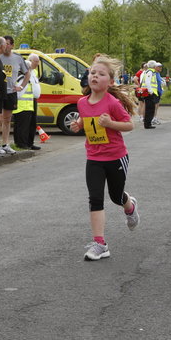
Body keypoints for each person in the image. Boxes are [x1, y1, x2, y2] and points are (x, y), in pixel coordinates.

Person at [70, 55, 139, 261]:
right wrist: (78, 125)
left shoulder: (113, 103)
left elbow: (129, 125)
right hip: (94, 158)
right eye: (92, 73)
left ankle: (130, 205)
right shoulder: (82, 102)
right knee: (95, 198)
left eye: (101, 74)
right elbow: (85, 120)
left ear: (110, 82)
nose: (95, 76)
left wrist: (111, 124)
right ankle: (100, 243)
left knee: (116, 197)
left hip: (116, 157)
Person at [0, 35, 30, 154]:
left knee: (7, 119)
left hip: (11, 92)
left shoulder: (17, 58)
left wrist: (21, 86)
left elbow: (27, 73)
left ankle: (5, 143)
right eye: (4, 44)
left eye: (8, 44)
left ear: (12, 45)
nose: (5, 46)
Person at [13, 54, 41, 149]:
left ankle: (29, 143)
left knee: (31, 124)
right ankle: (22, 143)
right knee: (22, 125)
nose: (37, 64)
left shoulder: (34, 72)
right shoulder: (22, 75)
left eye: (38, 61)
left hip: (31, 102)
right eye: (35, 61)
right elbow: (19, 90)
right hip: (22, 104)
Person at [141, 60, 159, 129]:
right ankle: (147, 123)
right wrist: (151, 91)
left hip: (149, 92)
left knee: (150, 108)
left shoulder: (150, 72)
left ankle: (148, 123)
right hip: (149, 93)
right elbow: (148, 82)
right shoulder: (150, 72)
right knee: (149, 108)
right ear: (153, 66)